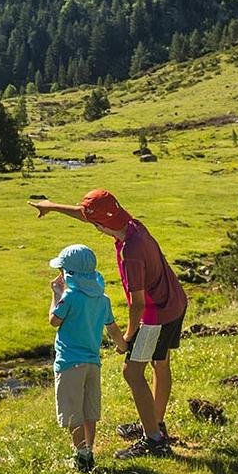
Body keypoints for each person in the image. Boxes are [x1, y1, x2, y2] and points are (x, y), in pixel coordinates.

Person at [31, 189, 187, 458]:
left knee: (132, 372)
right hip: (175, 301)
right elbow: (88, 215)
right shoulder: (132, 225)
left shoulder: (131, 254)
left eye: (94, 224)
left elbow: (137, 303)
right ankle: (156, 424)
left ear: (101, 226)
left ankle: (154, 440)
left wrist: (127, 336)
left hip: (155, 315)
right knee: (160, 364)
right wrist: (52, 206)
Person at [47, 243, 117, 472]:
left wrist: (55, 295)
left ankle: (81, 456)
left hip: (69, 363)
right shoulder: (102, 298)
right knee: (89, 411)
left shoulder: (70, 297)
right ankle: (89, 451)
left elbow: (54, 321)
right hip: (92, 363)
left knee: (73, 412)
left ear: (69, 273)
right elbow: (112, 328)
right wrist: (123, 345)